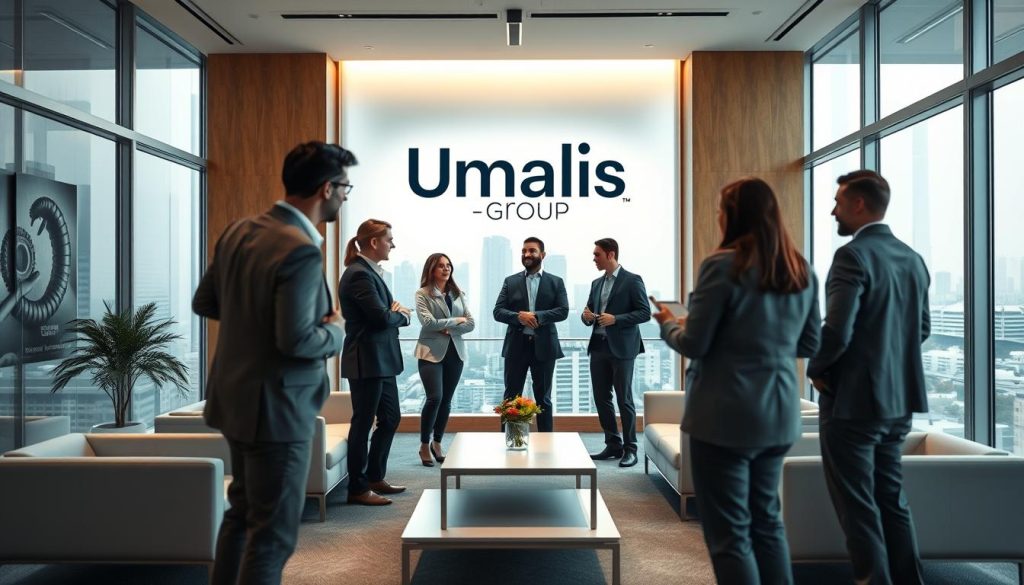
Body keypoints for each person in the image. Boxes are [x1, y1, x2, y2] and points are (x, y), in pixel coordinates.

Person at [192, 141, 354, 585]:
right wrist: (336, 330)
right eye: (345, 187)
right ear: (326, 188)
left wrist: (255, 314)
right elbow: (297, 339)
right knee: (273, 535)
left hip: (234, 401)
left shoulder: (240, 230)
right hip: (278, 412)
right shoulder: (299, 248)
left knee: (242, 514)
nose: (345, 196)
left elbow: (205, 301)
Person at [654, 177, 820, 585]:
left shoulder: (722, 264)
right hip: (778, 414)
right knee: (767, 521)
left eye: (721, 207)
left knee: (729, 534)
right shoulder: (800, 268)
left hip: (724, 416)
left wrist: (669, 324)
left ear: (734, 214)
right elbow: (810, 341)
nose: (717, 214)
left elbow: (694, 343)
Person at [807, 170, 930, 585]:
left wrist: (818, 369)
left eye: (839, 201)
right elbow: (922, 329)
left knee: (857, 507)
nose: (832, 210)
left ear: (859, 204)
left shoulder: (852, 256)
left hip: (853, 404)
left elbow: (838, 330)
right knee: (892, 502)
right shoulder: (913, 259)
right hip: (899, 404)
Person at [339, 218, 410, 506]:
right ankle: (357, 488)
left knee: (391, 418)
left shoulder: (370, 273)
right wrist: (402, 315)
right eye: (389, 239)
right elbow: (380, 318)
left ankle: (374, 477)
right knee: (363, 422)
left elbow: (382, 316)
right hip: (366, 360)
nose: (393, 244)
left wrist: (391, 313)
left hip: (381, 360)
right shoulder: (359, 275)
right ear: (374, 242)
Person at [581, 238, 650, 467]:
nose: (593, 258)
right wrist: (586, 316)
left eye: (597, 254)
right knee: (601, 398)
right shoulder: (595, 283)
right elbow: (588, 311)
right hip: (599, 346)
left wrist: (616, 319)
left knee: (625, 399)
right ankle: (613, 444)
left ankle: (631, 448)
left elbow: (644, 313)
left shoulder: (632, 280)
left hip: (622, 348)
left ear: (611, 254)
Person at [493, 236, 568, 432]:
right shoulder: (510, 282)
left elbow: (563, 311)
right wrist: (520, 317)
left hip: (544, 348)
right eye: (524, 251)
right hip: (516, 347)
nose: (527, 254)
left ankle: (546, 442)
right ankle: (507, 441)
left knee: (544, 398)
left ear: (542, 255)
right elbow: (498, 311)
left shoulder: (556, 282)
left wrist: (536, 316)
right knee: (511, 398)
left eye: (532, 251)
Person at [413, 253, 475, 466]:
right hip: (430, 352)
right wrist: (456, 321)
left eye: (448, 265)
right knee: (435, 398)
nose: (446, 269)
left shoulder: (458, 294)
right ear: (431, 269)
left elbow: (471, 324)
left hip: (455, 353)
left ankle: (437, 442)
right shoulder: (422, 294)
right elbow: (427, 322)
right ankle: (423, 444)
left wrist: (448, 327)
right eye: (440, 266)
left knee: (446, 401)